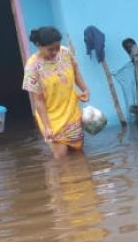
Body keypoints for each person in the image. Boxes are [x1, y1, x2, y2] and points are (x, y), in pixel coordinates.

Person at [23, 26, 90, 158]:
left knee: (78, 155)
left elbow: (76, 73)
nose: (54, 52)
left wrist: (85, 89)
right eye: (50, 49)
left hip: (71, 113)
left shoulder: (65, 53)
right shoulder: (32, 67)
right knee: (61, 158)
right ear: (38, 45)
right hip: (51, 119)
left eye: (57, 48)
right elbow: (38, 100)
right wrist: (47, 127)